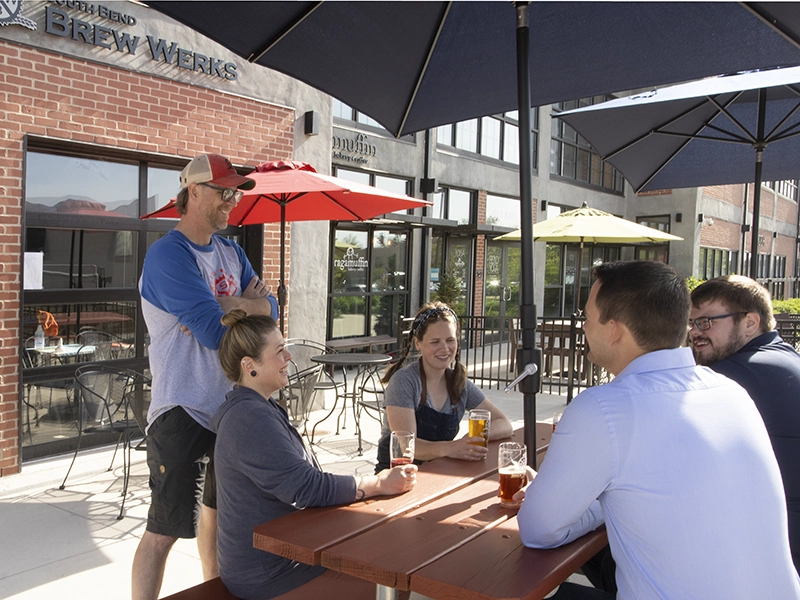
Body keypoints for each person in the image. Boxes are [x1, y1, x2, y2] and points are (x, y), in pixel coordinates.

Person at [516, 261, 800, 599]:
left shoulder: (605, 408)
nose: (583, 327)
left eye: (588, 317)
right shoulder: (731, 392)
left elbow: (537, 530)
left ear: (615, 329)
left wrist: (587, 500)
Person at [132, 153, 278, 600]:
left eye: (235, 192)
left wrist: (237, 306)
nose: (231, 201)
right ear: (193, 191)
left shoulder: (231, 251)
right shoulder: (167, 256)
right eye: (223, 191)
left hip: (230, 410)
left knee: (218, 521)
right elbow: (218, 336)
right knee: (166, 529)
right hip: (184, 411)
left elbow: (269, 317)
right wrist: (243, 305)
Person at [212, 309, 418, 599]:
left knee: (388, 549)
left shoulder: (257, 408)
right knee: (393, 572)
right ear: (249, 365)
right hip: (271, 572)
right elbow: (307, 488)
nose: (289, 358)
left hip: (285, 552)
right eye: (280, 351)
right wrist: (378, 484)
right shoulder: (249, 419)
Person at [690, 274, 800, 571]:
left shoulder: (732, 376)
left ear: (750, 323)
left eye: (707, 322)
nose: (695, 332)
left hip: (769, 558)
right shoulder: (784, 357)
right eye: (692, 323)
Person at [375, 301, 512, 472]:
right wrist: (451, 448)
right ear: (418, 343)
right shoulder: (404, 382)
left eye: (450, 340)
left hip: (439, 474)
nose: (444, 348)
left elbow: (504, 423)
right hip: (395, 477)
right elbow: (406, 445)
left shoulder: (459, 383)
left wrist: (470, 439)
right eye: (435, 342)